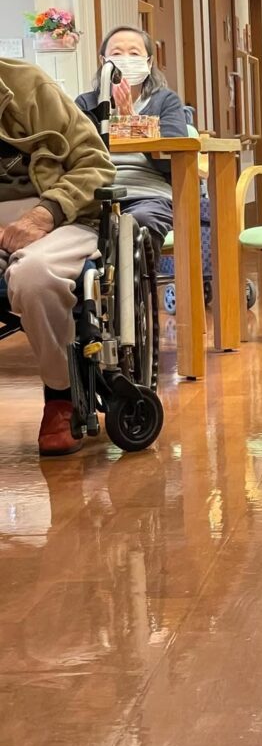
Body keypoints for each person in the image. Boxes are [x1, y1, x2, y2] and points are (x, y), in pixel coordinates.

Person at [0, 57, 115, 454]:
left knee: (35, 276)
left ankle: (61, 396)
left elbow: (96, 165)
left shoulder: (29, 86)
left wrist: (44, 213)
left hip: (59, 216)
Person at [75, 26, 188, 260]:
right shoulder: (86, 103)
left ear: (149, 62)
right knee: (74, 229)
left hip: (148, 192)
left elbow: (172, 156)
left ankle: (139, 284)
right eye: (117, 53)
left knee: (141, 224)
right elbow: (77, 151)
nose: (125, 59)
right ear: (103, 61)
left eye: (134, 53)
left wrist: (131, 121)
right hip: (97, 192)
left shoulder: (165, 101)